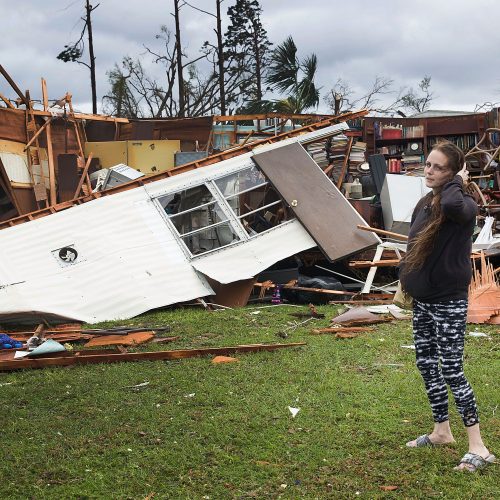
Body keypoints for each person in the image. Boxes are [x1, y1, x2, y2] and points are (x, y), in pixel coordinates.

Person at [399, 140, 495, 472]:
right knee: (426, 364)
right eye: (427, 164)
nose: (429, 171)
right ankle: (442, 431)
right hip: (424, 300)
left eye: (438, 167)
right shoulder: (428, 201)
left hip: (449, 302)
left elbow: (455, 202)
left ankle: (479, 447)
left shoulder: (462, 203)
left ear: (453, 172)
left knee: (452, 371)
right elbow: (413, 241)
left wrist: (459, 180)